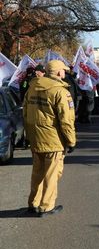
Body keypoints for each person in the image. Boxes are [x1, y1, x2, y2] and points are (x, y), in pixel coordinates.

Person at [23, 60, 76, 216]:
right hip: (53, 140)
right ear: (59, 72)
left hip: (35, 138)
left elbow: (25, 113)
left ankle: (33, 203)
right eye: (63, 71)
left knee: (37, 173)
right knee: (52, 174)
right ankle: (46, 206)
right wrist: (71, 141)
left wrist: (28, 135)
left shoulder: (31, 88)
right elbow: (67, 120)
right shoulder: (60, 92)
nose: (64, 73)